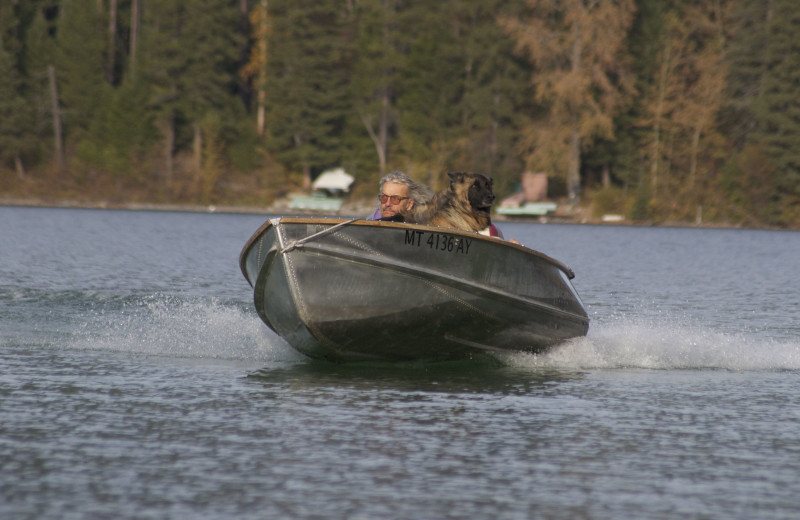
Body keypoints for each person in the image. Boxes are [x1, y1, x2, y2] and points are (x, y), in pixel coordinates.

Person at [367, 171, 433, 221]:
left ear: (409, 204)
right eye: (384, 197)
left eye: (395, 199)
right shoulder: (367, 223)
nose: (387, 204)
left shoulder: (421, 227)